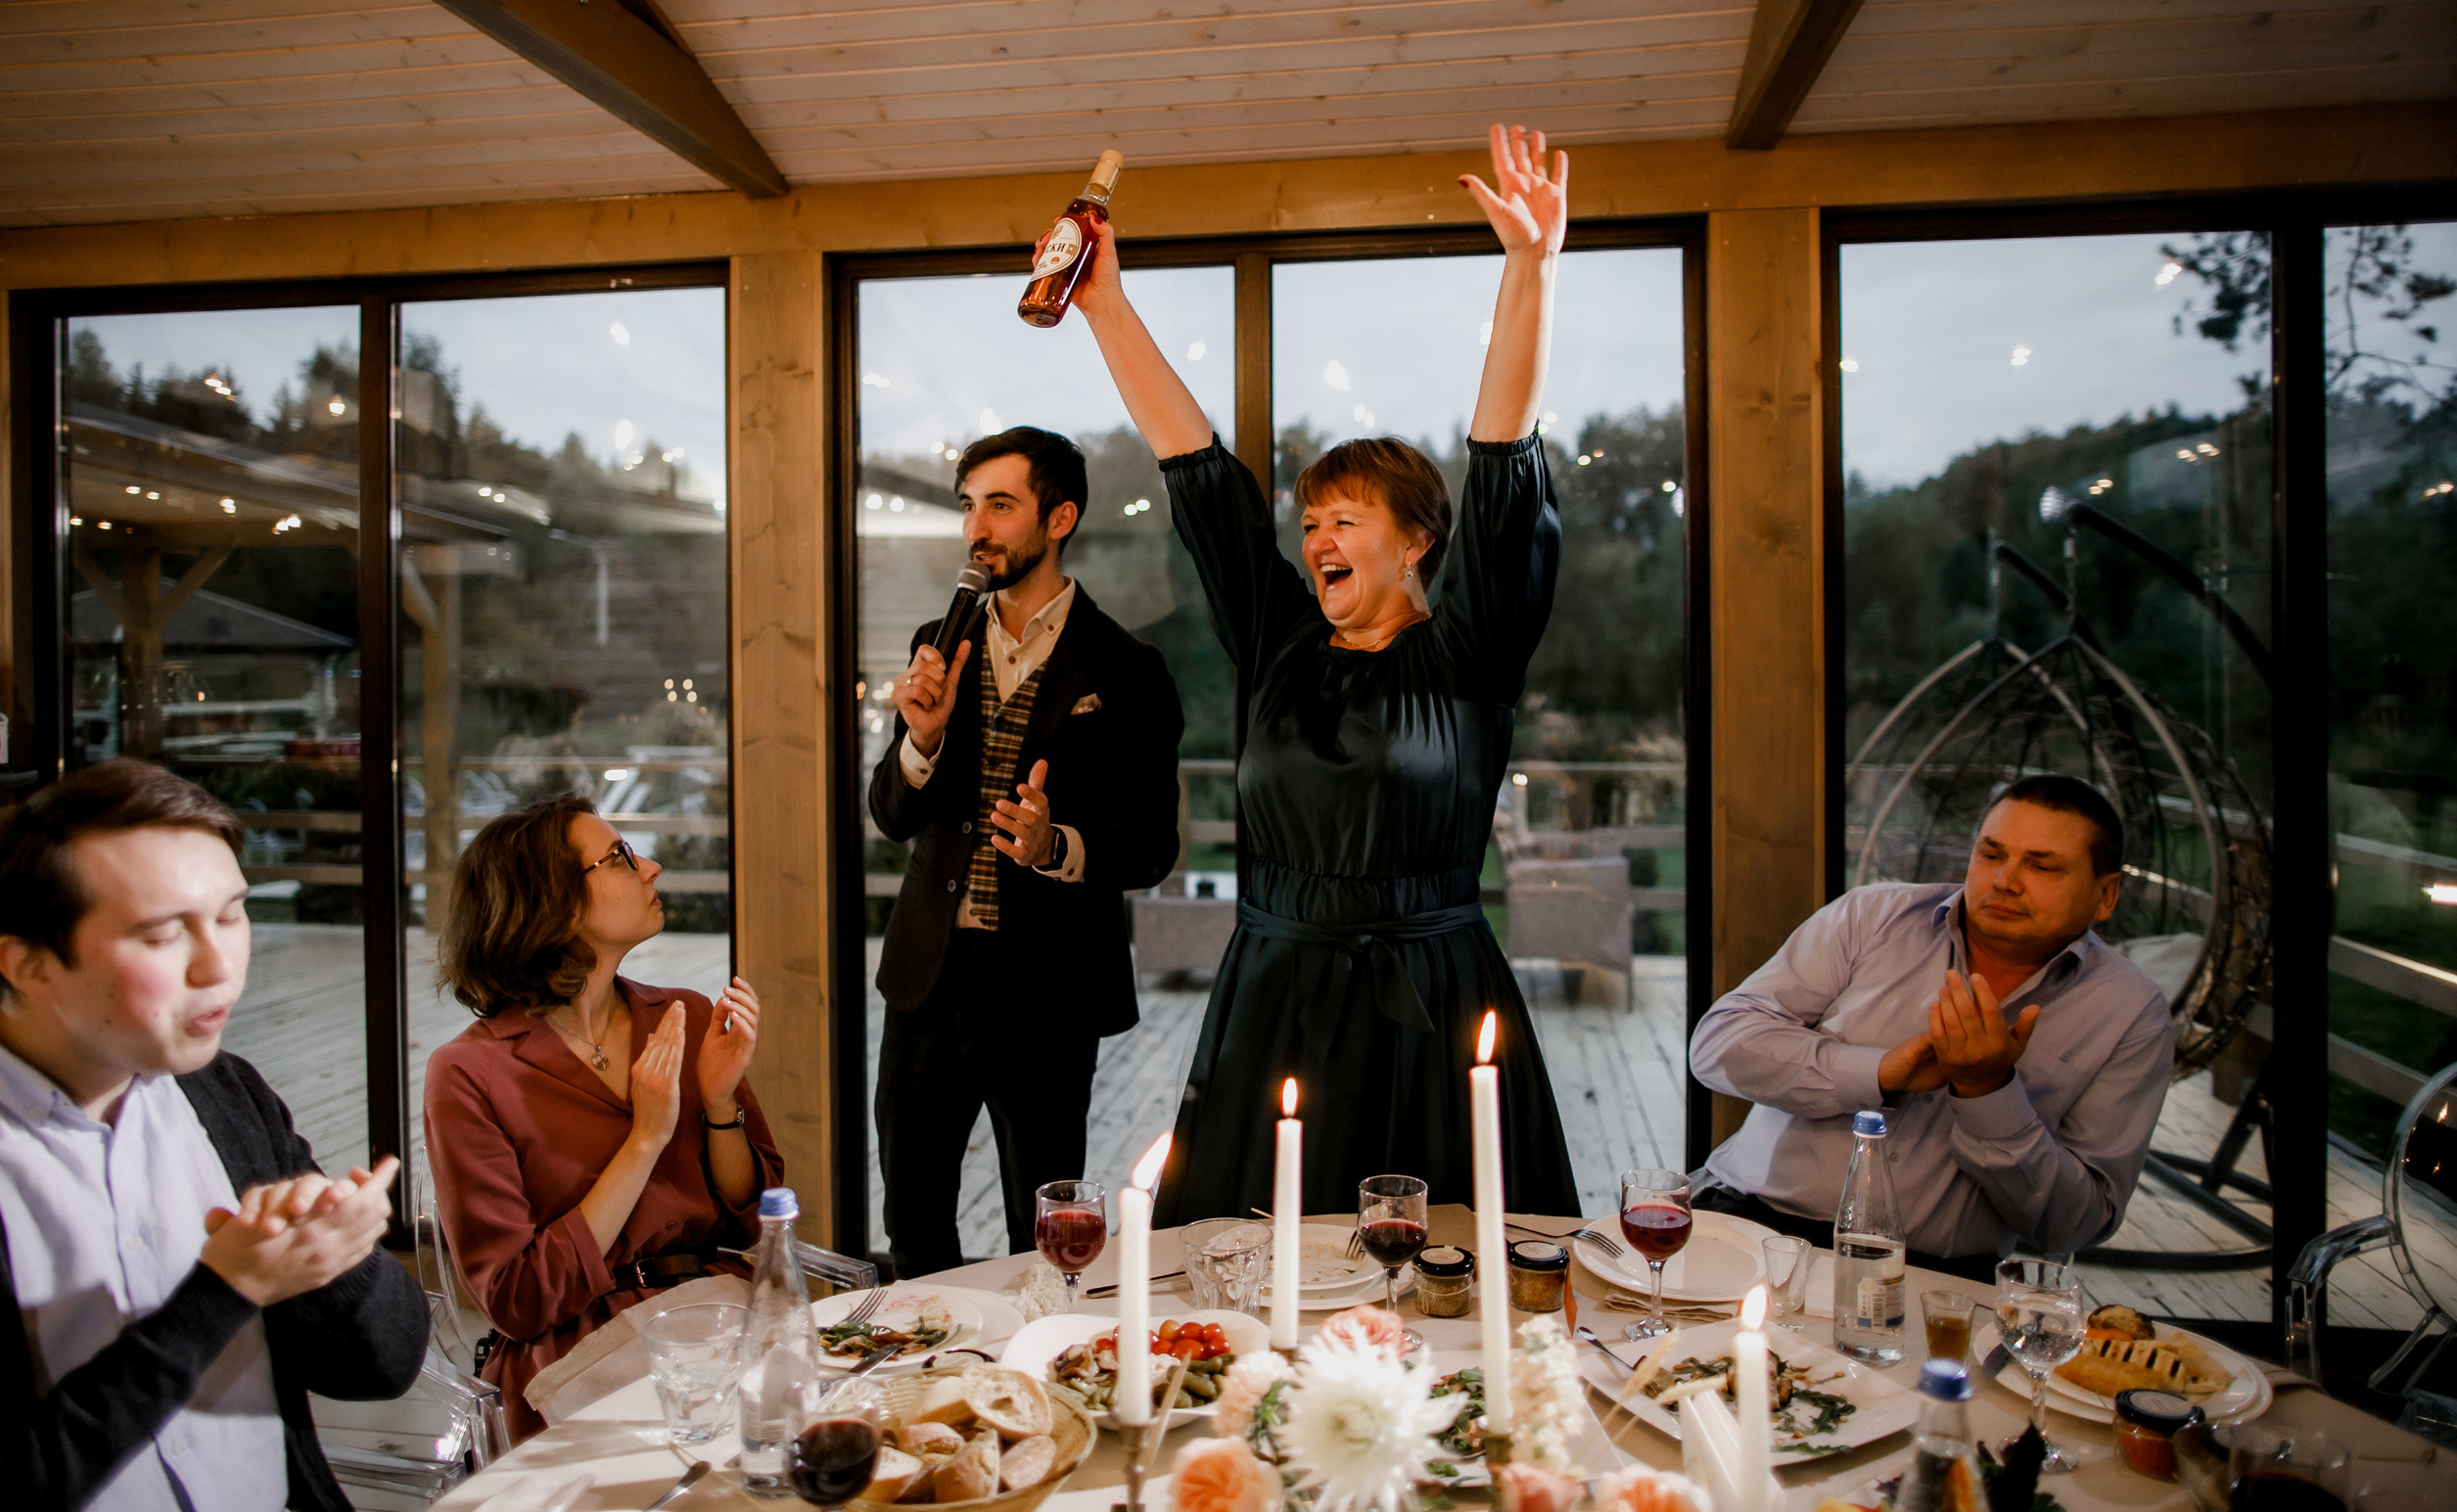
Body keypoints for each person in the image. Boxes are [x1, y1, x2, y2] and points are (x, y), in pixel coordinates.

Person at [1075, 123, 1582, 1220]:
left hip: (1431, 1004)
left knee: (1446, 1267)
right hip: (1275, 994)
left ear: (1417, 542)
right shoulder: (1281, 648)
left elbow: (1503, 463)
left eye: (1345, 519)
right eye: (1309, 523)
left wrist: (1530, 269)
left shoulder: (1469, 656)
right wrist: (1103, 303)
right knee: (1249, 1260)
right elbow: (1198, 475)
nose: (1316, 541)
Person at [0, 758, 427, 1511]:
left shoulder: (221, 1091)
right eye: (165, 933)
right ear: (30, 965)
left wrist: (332, 1259)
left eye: (233, 914)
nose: (220, 966)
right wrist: (225, 1291)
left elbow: (385, 1366)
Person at [871, 427, 1184, 1277]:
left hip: (1047, 987)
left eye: (1001, 505)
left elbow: (1152, 844)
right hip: (928, 976)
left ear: (1060, 518)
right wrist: (919, 741)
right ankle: (939, 1363)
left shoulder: (1126, 668)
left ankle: (1038, 1357)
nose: (978, 527)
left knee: (1040, 1234)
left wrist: (1056, 846)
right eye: (969, 505)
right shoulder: (938, 644)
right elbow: (891, 813)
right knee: (912, 1218)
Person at [1689, 774, 2177, 1274]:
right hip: (1751, 1221)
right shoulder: (1871, 916)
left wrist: (1989, 1094)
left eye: (2042, 866)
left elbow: (2077, 1224)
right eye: (1991, 854)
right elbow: (1717, 1044)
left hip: (1934, 1279)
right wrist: (1881, 1073)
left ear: (2105, 894)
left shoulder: (2129, 1011)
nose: (2005, 880)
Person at [422, 794, 781, 1439]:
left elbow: (752, 1219)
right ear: (552, 901)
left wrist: (719, 1102)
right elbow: (517, 1299)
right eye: (619, 857)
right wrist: (645, 1139)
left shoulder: (684, 1016)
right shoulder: (469, 1072)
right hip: (579, 1356)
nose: (651, 868)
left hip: (719, 1317)